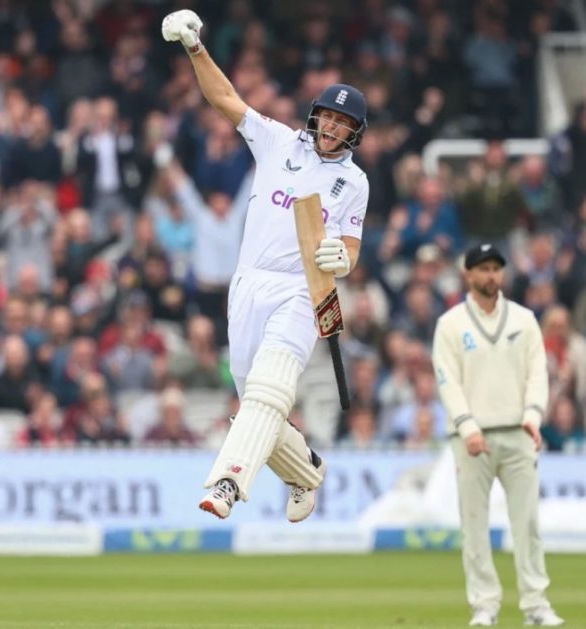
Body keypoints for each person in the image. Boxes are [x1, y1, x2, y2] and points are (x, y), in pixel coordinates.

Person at [162, 9, 369, 523]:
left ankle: (229, 481)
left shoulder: (355, 183)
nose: (332, 128)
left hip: (302, 291)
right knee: (259, 402)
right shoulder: (278, 141)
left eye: (344, 124)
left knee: (271, 390)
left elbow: (352, 247)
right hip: (248, 284)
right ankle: (306, 471)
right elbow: (225, 98)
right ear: (316, 115)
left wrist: (340, 258)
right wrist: (195, 48)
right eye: (328, 117)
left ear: (353, 134)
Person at [432, 243, 563, 627]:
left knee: (528, 523)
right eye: (483, 269)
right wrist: (468, 427)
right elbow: (448, 381)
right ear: (468, 274)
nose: (491, 275)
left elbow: (538, 373)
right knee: (474, 525)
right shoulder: (451, 324)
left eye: (496, 268)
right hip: (471, 439)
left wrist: (533, 416)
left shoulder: (523, 320)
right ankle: (484, 605)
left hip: (519, 432)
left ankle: (536, 604)